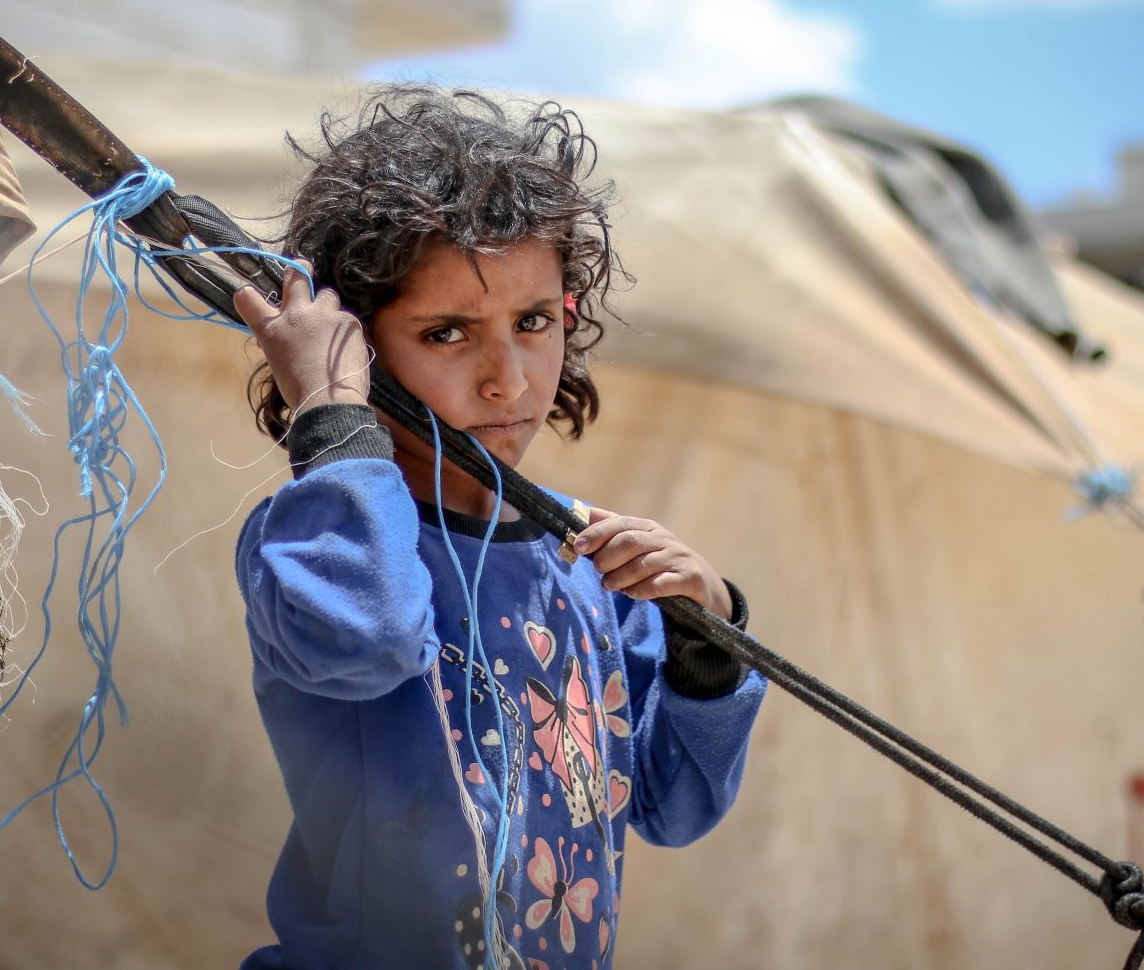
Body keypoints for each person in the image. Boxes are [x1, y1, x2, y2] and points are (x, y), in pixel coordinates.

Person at [230, 88, 766, 969]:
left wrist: (706, 635)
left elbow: (675, 806)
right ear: (356, 347)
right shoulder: (320, 539)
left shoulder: (588, 561)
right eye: (447, 333)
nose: (509, 380)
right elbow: (366, 637)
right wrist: (332, 415)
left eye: (533, 322)